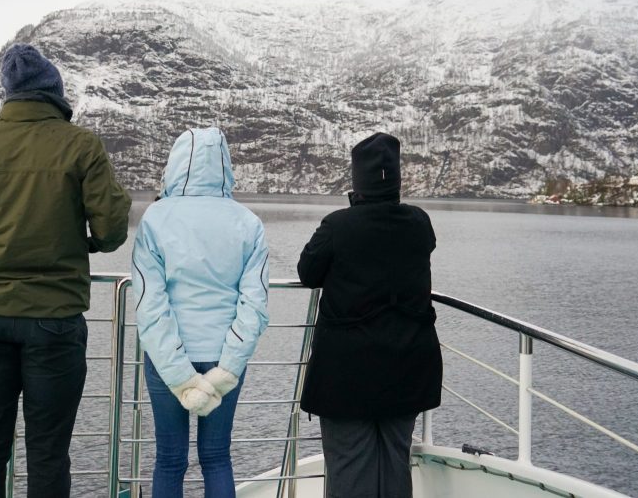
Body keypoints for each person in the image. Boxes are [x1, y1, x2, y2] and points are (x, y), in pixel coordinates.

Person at [0, 44, 132, 498]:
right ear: (53, 90)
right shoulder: (80, 145)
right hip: (53, 318)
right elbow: (111, 228)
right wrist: (80, 243)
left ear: (9, 93)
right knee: (47, 450)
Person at [297, 132, 442, 498]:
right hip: (408, 366)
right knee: (396, 462)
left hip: (348, 375)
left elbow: (307, 272)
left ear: (356, 180)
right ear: (396, 179)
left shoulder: (338, 226)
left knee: (349, 466)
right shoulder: (419, 222)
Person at [132, 127, 270, 498]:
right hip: (225, 356)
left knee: (170, 460)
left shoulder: (154, 220)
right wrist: (227, 369)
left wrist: (178, 374)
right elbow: (254, 305)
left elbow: (149, 304)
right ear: (225, 165)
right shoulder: (248, 223)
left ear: (175, 165)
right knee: (217, 457)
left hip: (167, 360)